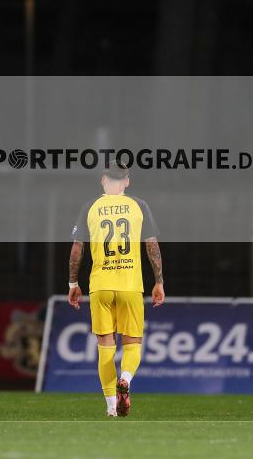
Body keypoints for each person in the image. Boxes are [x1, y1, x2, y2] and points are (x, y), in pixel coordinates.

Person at [68, 161, 165, 417]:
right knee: (133, 343)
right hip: (130, 285)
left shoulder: (90, 207)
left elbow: (78, 249)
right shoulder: (139, 206)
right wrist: (159, 281)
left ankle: (112, 408)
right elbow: (152, 246)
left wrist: (73, 283)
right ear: (127, 181)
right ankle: (126, 379)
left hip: (100, 284)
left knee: (105, 346)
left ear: (103, 180)